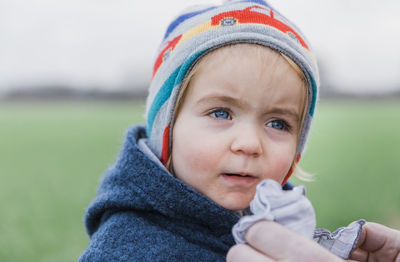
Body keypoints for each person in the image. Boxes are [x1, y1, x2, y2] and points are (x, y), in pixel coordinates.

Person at [78, 0, 400, 261]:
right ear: (167, 128)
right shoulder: (126, 250)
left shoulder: (286, 228)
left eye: (278, 123)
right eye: (221, 112)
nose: (249, 144)